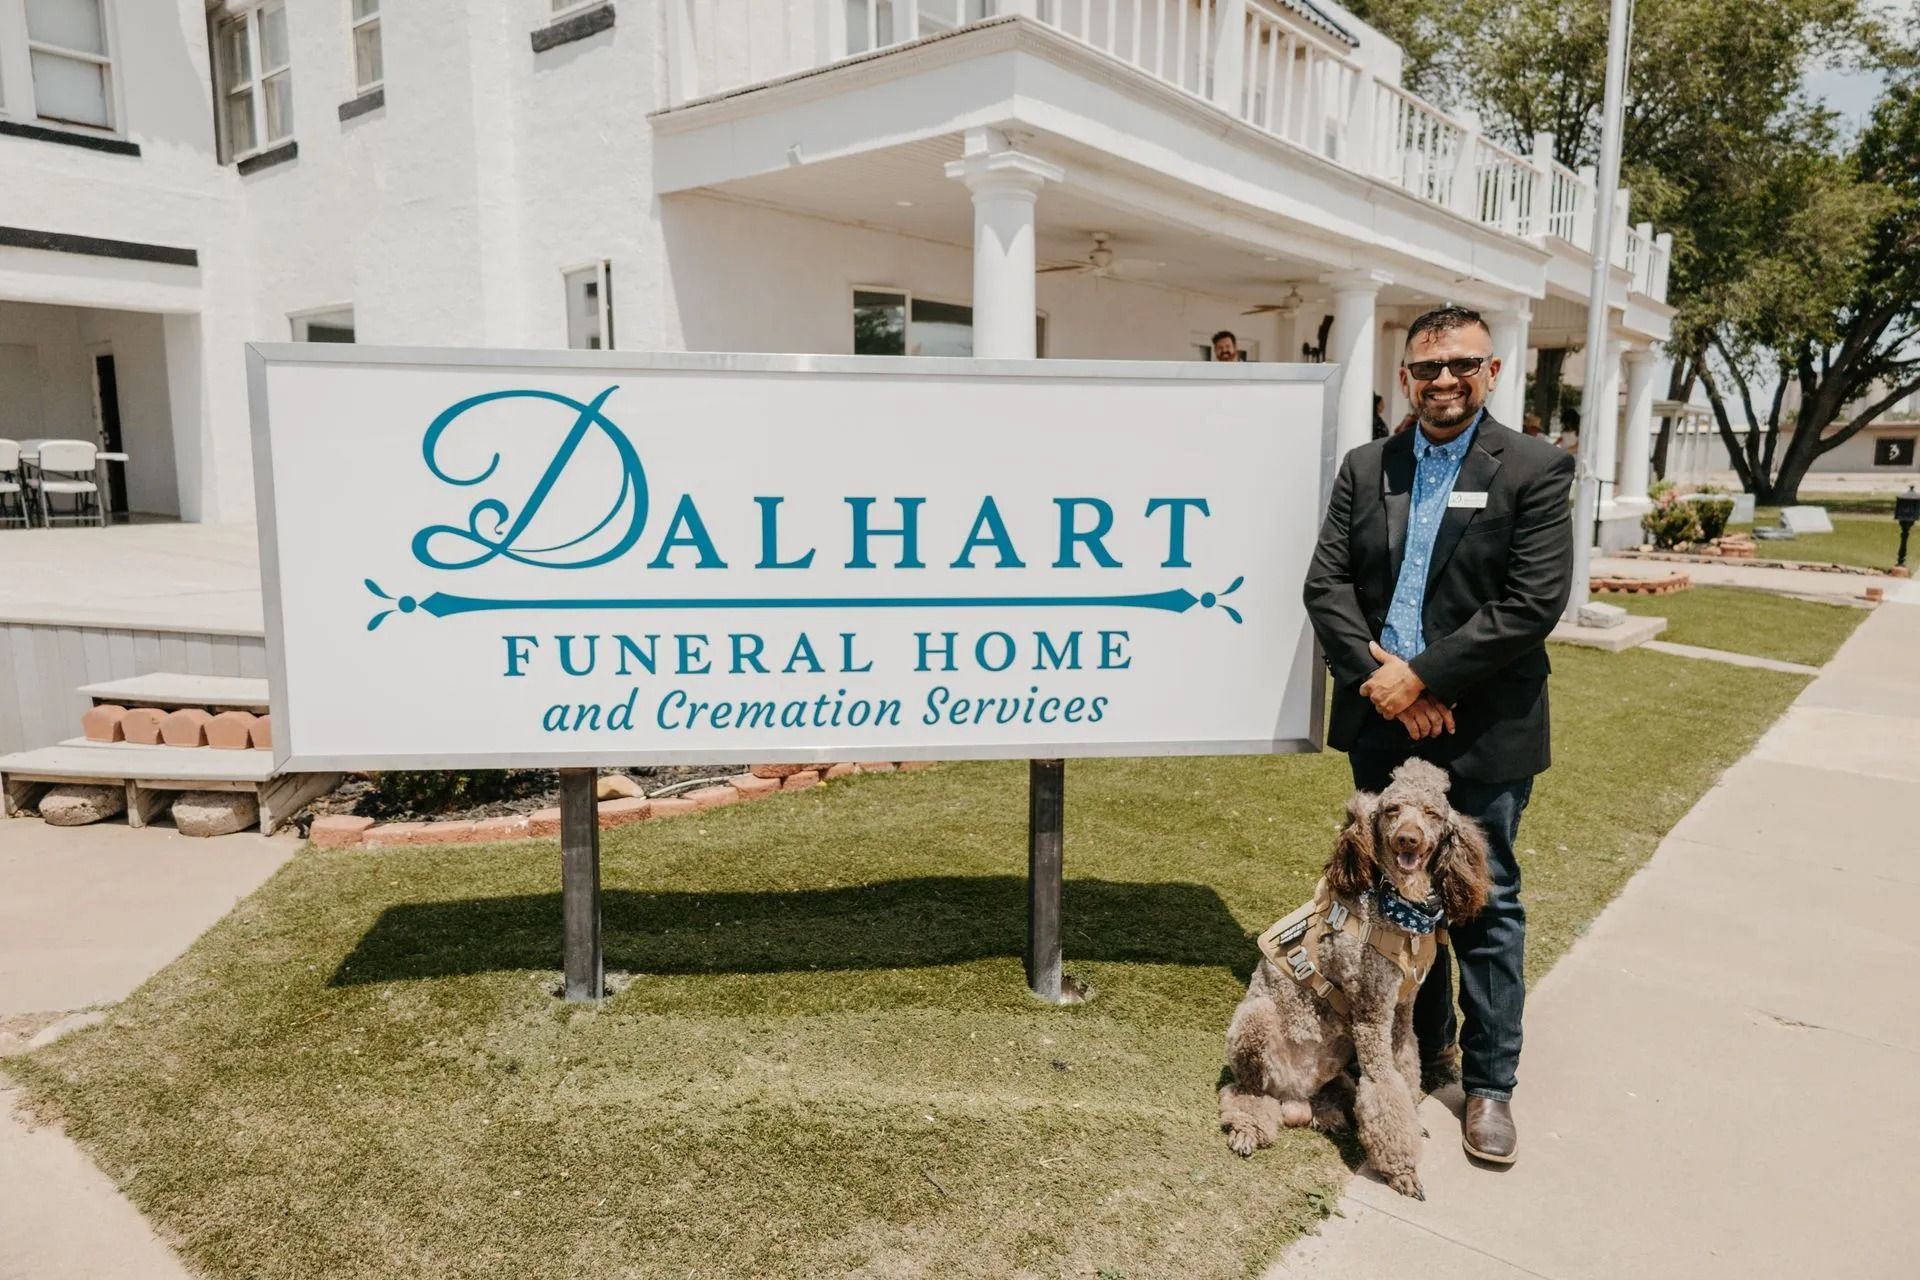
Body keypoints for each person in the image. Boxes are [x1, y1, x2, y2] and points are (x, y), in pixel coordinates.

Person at [1301, 304, 1576, 1168]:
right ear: (1406, 377)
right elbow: (1327, 587)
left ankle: (1490, 1085)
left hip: (1484, 726)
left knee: (1480, 903)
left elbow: (1531, 603)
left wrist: (1424, 678)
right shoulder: (1366, 466)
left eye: (1462, 364)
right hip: (1383, 721)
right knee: (1396, 897)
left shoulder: (1534, 468)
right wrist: (1386, 685)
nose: (1444, 380)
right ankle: (1430, 1048)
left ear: (1492, 372)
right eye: (1427, 368)